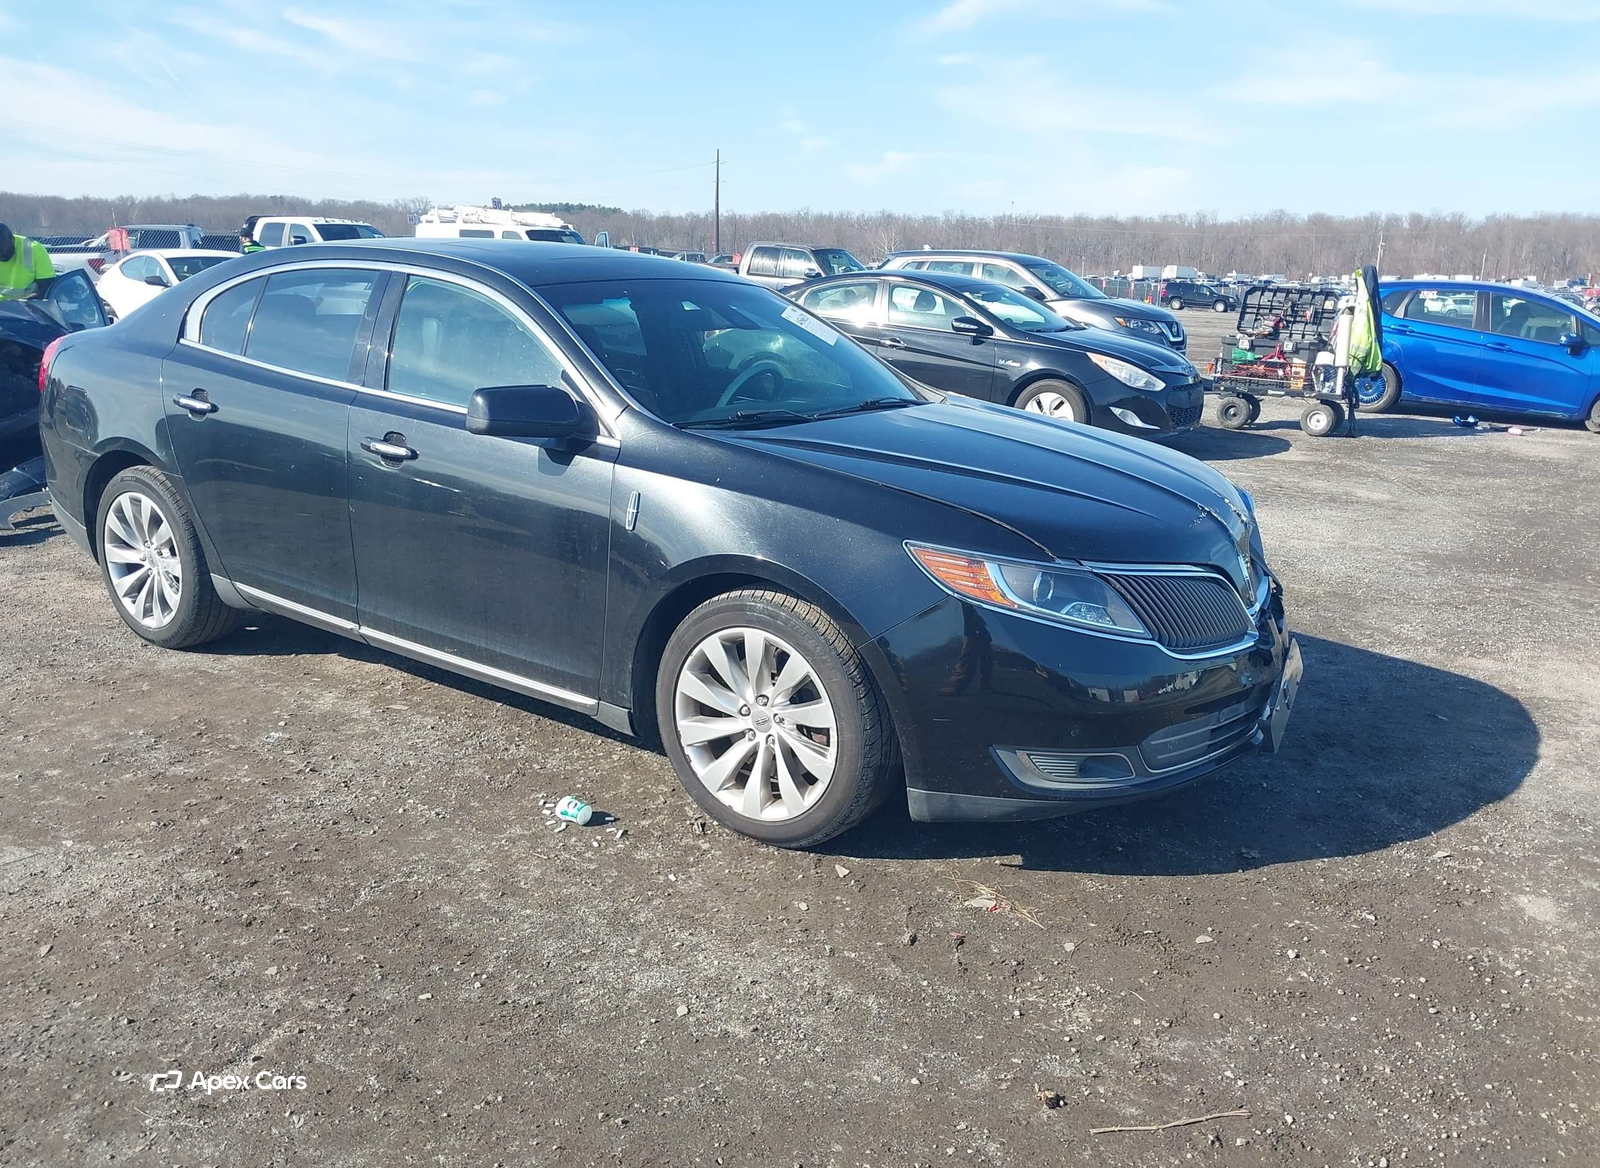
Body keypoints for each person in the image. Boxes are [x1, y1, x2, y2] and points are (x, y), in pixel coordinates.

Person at [0, 223, 54, 299]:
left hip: (29, 306)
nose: (1, 255)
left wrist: (22, 303)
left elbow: (47, 288)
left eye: (3, 249)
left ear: (12, 240)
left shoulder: (33, 249)